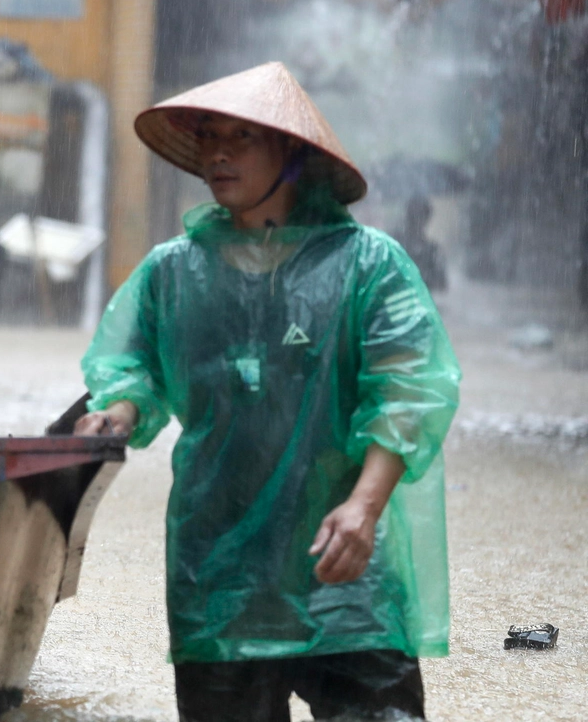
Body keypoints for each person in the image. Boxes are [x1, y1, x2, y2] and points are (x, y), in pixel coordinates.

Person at [75, 62, 461, 722]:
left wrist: (365, 508)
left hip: (346, 568)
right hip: (220, 570)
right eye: (209, 137)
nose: (218, 152)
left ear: (291, 153)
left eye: (242, 137)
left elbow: (408, 392)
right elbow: (134, 368)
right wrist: (116, 413)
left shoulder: (370, 265)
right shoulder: (173, 270)